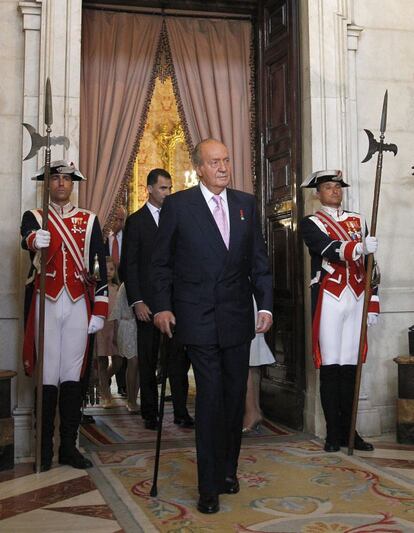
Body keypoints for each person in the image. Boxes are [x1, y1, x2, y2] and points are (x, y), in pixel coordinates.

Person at [151, 139, 273, 514]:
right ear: (199, 168)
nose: (222, 167)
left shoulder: (245, 205)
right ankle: (207, 487)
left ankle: (226, 471)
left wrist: (265, 304)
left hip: (238, 319)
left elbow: (259, 261)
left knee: (234, 399)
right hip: (197, 319)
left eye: (226, 160)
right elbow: (160, 264)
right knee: (210, 398)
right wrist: (162, 307)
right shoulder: (179, 205)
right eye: (214, 162)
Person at [21, 160, 108, 471]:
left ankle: (69, 447)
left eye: (65, 179)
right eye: (55, 178)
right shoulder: (35, 217)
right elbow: (26, 237)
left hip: (77, 306)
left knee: (72, 376)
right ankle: (44, 450)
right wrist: (34, 241)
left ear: (73, 184)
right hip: (46, 301)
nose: (60, 183)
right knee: (47, 376)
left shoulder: (90, 220)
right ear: (47, 183)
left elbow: (99, 268)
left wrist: (100, 308)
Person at [300, 169, 379, 453]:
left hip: (357, 298)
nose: (335, 191)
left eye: (337, 186)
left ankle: (350, 432)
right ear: (317, 193)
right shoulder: (311, 223)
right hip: (329, 298)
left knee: (351, 368)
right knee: (331, 367)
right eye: (329, 187)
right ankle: (334, 433)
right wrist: (358, 246)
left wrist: (373, 303)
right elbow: (327, 249)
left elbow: (372, 266)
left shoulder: (358, 220)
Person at [122, 168, 194, 430]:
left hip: (177, 303)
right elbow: (129, 265)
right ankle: (150, 412)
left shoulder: (178, 218)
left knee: (178, 360)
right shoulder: (136, 221)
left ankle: (181, 411)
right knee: (148, 359)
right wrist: (137, 301)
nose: (167, 193)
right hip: (148, 304)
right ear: (149, 189)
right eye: (163, 188)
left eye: (170, 188)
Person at [242, 298, 275, 433]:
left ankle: (252, 412)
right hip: (248, 300)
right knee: (251, 358)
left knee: (246, 358)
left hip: (244, 301)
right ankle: (254, 410)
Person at [106, 205, 127, 396]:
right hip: (105, 294)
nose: (119, 223)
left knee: (122, 345)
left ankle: (122, 386)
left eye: (122, 220)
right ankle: (102, 385)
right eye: (116, 219)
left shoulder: (128, 238)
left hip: (124, 290)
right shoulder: (103, 237)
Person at [95, 256, 122, 408]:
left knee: (118, 361)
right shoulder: (98, 289)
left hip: (115, 327)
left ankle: (102, 380)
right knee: (102, 361)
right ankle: (106, 395)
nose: (109, 272)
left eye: (112, 269)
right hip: (101, 327)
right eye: (106, 269)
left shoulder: (118, 289)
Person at [110, 282, 140, 413]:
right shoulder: (124, 286)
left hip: (139, 326)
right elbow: (117, 311)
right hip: (127, 325)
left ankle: (134, 396)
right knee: (132, 361)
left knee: (139, 363)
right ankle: (130, 399)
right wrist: (116, 334)